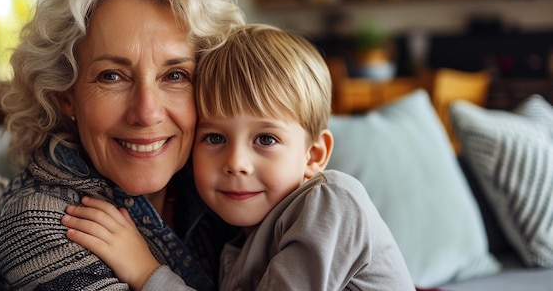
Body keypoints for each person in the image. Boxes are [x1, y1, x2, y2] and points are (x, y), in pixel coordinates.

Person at [63, 24, 416, 290]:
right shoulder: (237, 238)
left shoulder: (332, 203)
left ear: (314, 154)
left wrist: (145, 272)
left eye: (265, 139)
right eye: (215, 137)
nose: (236, 162)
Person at [0, 0, 245, 291]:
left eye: (175, 76)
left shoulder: (223, 178)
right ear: (67, 97)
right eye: (112, 76)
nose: (147, 112)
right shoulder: (41, 225)